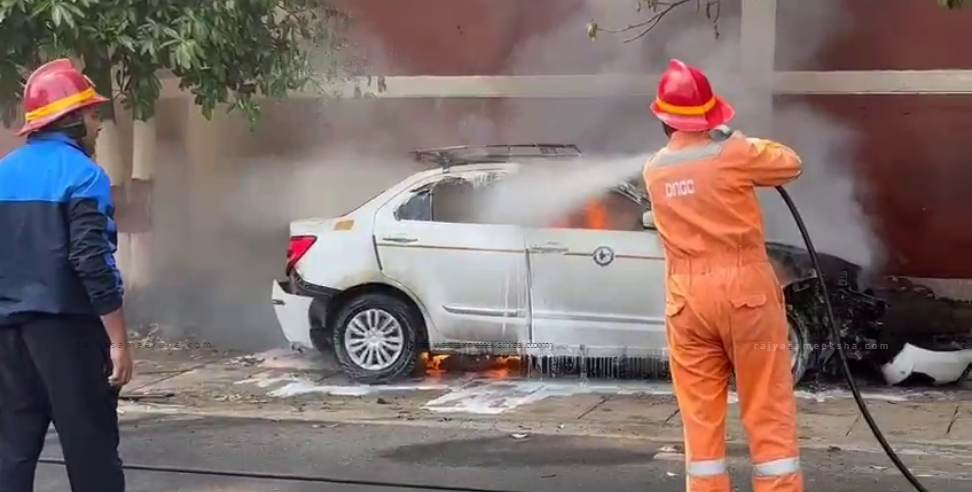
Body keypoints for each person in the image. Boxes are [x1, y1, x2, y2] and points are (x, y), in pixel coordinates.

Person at [642, 59, 804, 492]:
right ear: (711, 115)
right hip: (744, 295)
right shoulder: (733, 153)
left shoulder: (654, 171)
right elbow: (790, 164)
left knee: (699, 419)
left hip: (686, 303)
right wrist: (739, 140)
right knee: (766, 407)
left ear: (663, 118)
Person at [0, 58, 131, 492]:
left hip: (8, 336)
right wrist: (118, 342)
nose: (98, 126)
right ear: (71, 120)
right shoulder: (85, 176)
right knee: (91, 452)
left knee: (11, 454)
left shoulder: (3, 173)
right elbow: (92, 262)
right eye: (94, 115)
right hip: (68, 334)